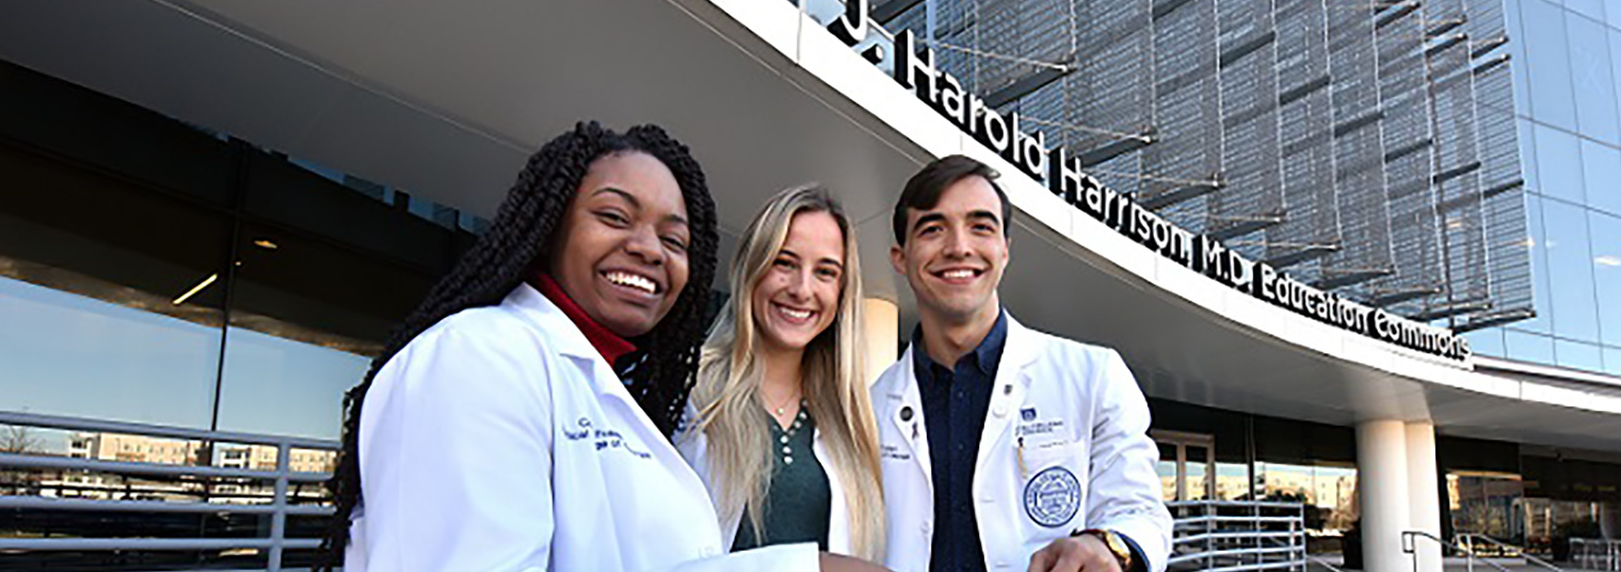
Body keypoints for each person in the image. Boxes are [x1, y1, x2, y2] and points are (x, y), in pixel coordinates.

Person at [321, 122, 817, 571]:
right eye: (614, 216)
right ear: (549, 227)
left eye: (675, 240)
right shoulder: (474, 357)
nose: (648, 248)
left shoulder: (615, 382)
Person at [872, 155, 1173, 572]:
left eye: (981, 227)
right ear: (900, 258)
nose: (959, 247)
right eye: (932, 228)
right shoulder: (868, 408)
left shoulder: (1094, 376)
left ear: (1005, 250)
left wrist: (1110, 547)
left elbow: (1142, 514)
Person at [677, 185, 886, 561]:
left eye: (825, 272)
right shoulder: (688, 394)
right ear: (752, 267)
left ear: (842, 293)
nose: (802, 289)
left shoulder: (854, 421)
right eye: (784, 262)